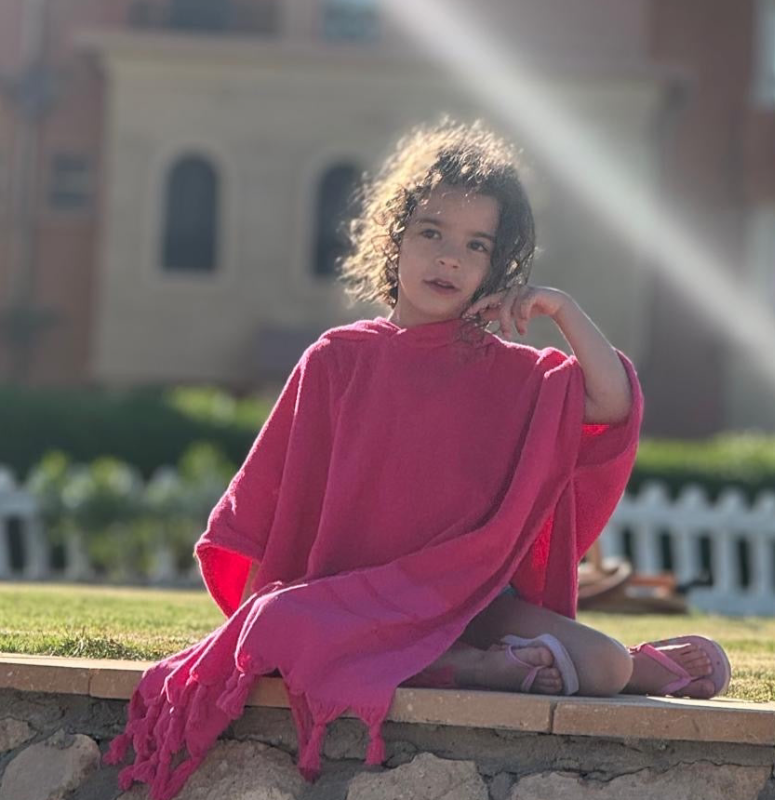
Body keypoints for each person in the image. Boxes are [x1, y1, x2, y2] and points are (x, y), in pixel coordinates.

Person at [105, 119, 730, 800]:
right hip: (359, 603)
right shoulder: (337, 358)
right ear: (395, 238)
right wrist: (278, 621)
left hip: (473, 603)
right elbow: (267, 507)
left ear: (496, 266)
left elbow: (611, 408)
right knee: (276, 624)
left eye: (475, 245)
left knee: (603, 665)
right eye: (432, 232)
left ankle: (634, 669)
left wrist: (564, 309)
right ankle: (477, 670)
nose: (449, 259)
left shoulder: (515, 374)